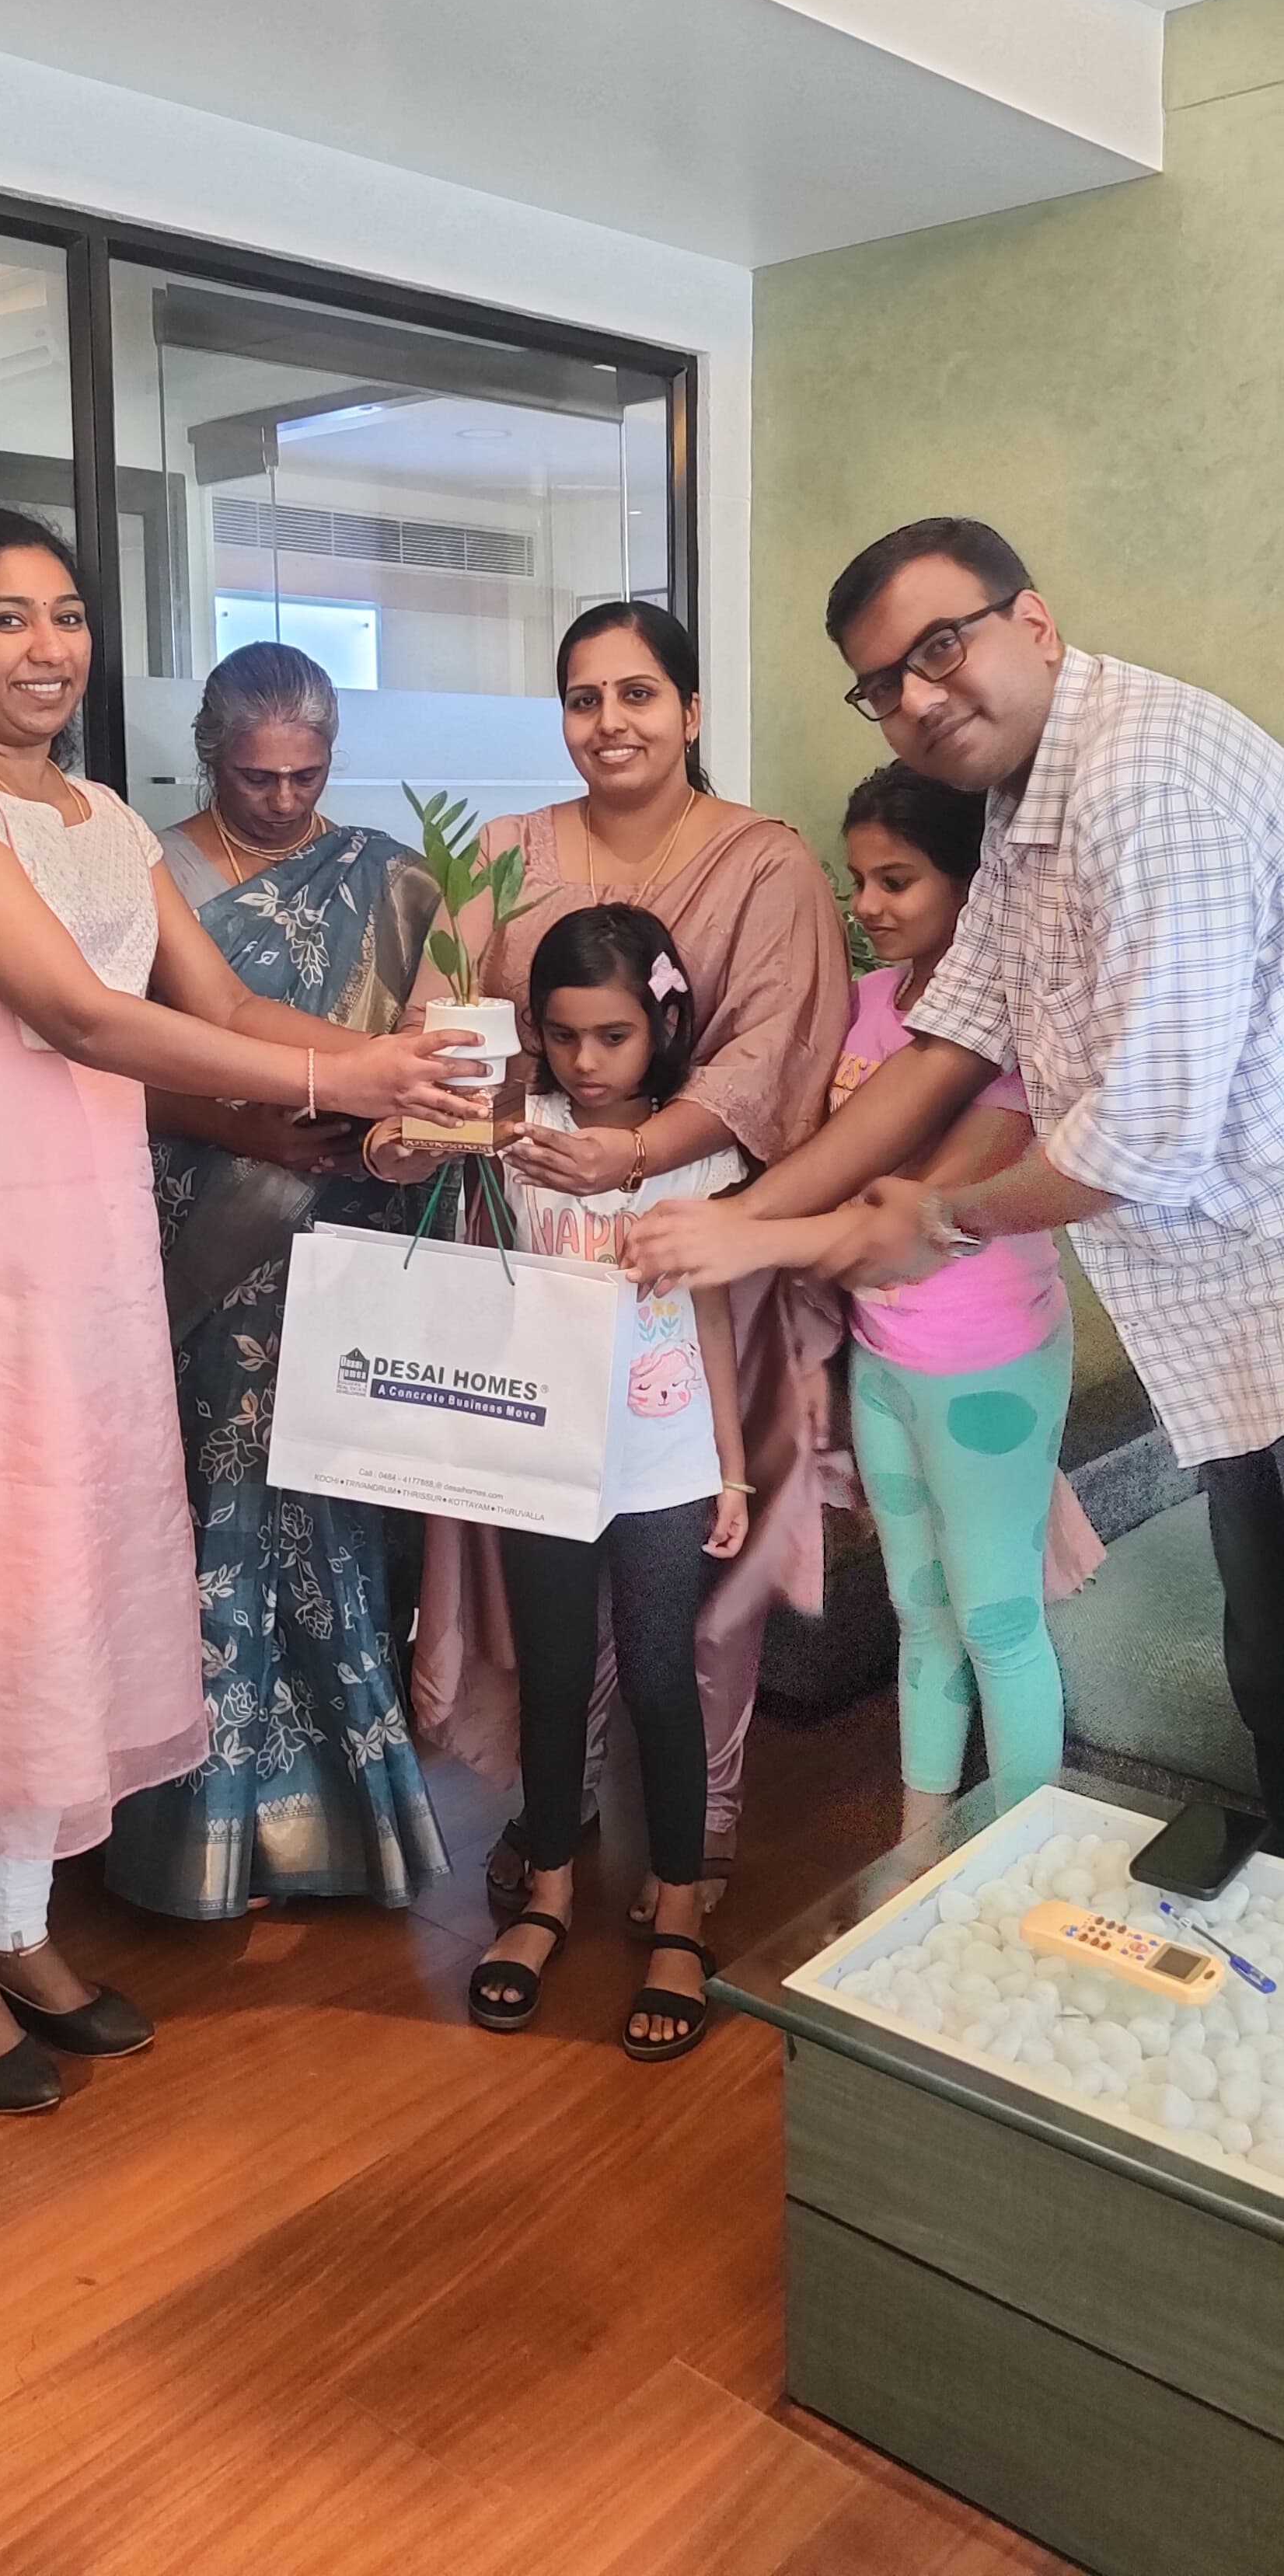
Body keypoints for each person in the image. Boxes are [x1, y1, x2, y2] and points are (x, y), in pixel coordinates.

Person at [0, 507, 485, 2115]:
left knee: (58, 1578)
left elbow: (214, 1000)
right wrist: (352, 1071)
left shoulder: (97, 815)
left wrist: (409, 1057)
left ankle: (22, 1926)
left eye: (67, 615)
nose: (49, 648)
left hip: (84, 1245)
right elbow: (82, 1014)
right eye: (5, 618)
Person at [626, 514, 1284, 1835]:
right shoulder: (1026, 799)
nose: (918, 700)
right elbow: (952, 1039)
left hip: (1250, 1291)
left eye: (940, 649)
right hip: (1226, 1338)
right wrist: (743, 1223)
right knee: (1264, 1661)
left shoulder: (1144, 784)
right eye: (881, 684)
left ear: (1031, 622)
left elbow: (1140, 1137)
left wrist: (937, 1214)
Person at [373, 599, 851, 1921]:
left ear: (690, 710)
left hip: (689, 1249)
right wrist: (429, 1125)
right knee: (540, 1568)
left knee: (681, 1585)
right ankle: (557, 1820)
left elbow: (774, 1058)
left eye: (639, 694)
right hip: (531, 1245)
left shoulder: (765, 863)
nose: (610, 723)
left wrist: (637, 1157)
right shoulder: (505, 856)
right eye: (584, 698)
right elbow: (445, 1034)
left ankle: (695, 1840)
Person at [105, 643, 450, 1921]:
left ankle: (341, 1827)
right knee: (207, 1515)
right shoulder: (144, 873)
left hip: (346, 1245)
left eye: (309, 775)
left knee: (334, 1518)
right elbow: (107, 1061)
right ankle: (192, 1835)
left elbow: (427, 1059)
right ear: (212, 756)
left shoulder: (393, 879)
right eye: (259, 778)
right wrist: (255, 1130)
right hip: (203, 1240)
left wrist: (396, 1118)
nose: (288, 801)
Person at [468, 906, 748, 2059]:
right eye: (565, 1035)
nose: (586, 1061)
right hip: (542, 1454)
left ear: (662, 1026)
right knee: (552, 1675)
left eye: (615, 1035)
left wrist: (731, 1469)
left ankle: (679, 1905)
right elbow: (413, 1165)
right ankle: (547, 1889)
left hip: (667, 1461)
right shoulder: (519, 1134)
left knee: (659, 1676)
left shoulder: (698, 1152)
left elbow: (714, 1316)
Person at [836, 761, 1086, 1832]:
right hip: (879, 1360)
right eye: (859, 880)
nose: (868, 905)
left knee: (998, 1619)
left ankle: (1025, 1861)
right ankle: (919, 1849)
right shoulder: (862, 1007)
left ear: (971, 884)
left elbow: (916, 1209)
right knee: (919, 1608)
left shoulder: (1018, 1031)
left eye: (895, 881)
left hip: (991, 1365)